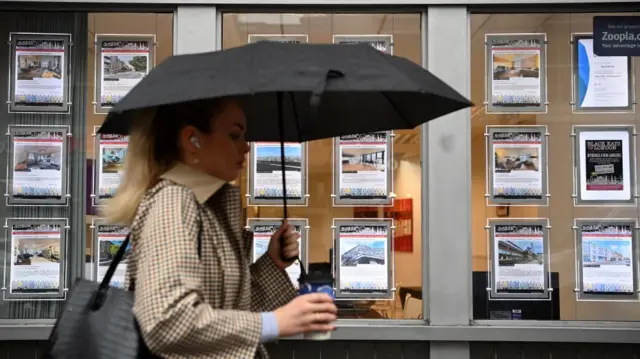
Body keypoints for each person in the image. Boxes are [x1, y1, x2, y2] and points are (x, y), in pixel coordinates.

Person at [102, 98, 338, 359]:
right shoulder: (173, 203)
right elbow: (166, 320)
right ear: (192, 140)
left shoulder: (207, 206)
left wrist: (273, 262)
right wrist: (275, 323)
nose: (246, 147)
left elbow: (229, 310)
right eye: (234, 135)